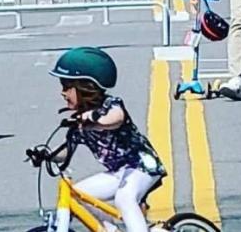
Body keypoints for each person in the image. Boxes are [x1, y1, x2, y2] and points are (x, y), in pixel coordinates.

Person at [39, 47, 166, 232]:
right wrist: (48, 155)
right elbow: (67, 151)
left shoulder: (109, 106)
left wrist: (94, 118)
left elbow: (116, 118)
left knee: (124, 198)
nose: (62, 92)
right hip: (118, 172)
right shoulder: (79, 122)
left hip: (142, 167)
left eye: (67, 86)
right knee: (78, 194)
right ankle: (110, 230)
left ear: (85, 87)